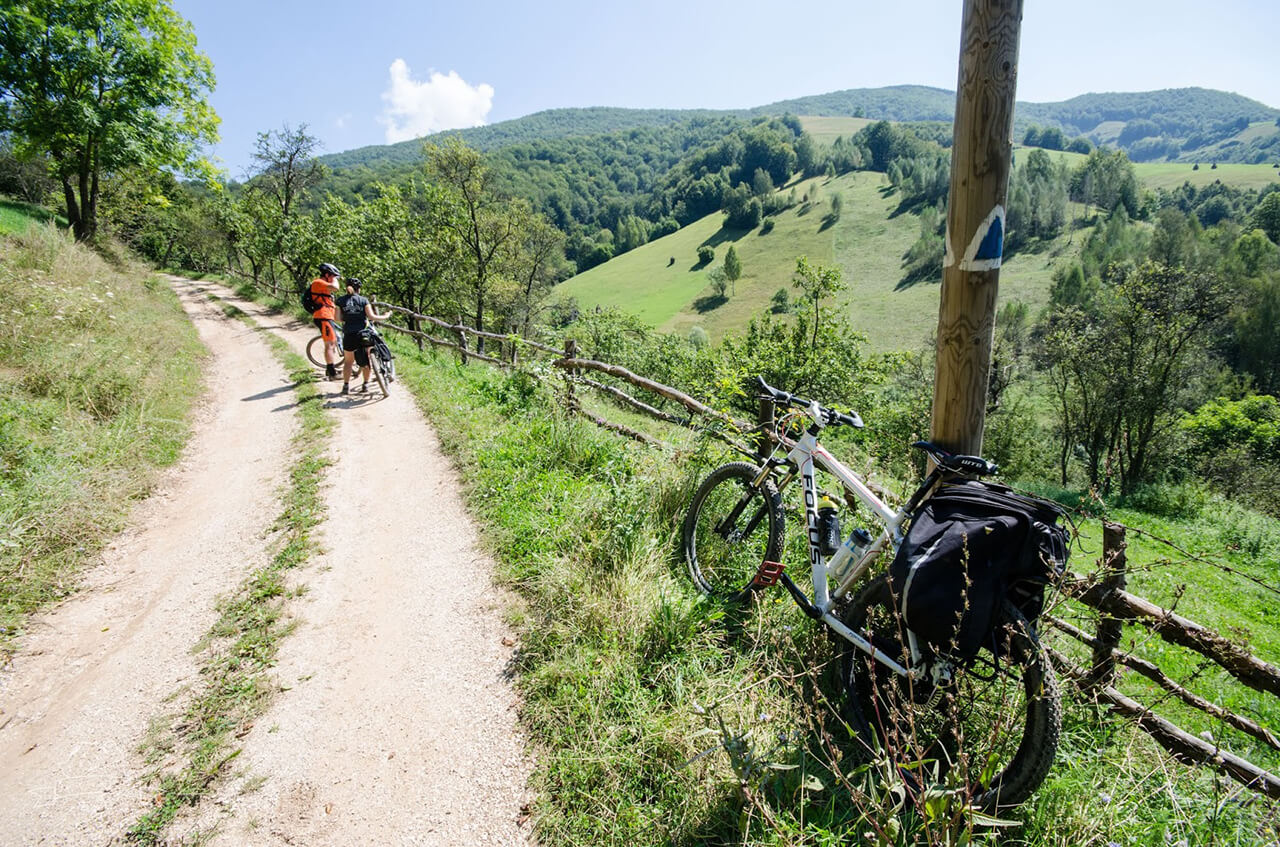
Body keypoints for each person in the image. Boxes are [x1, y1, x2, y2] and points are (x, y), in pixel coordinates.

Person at [335, 278, 391, 395]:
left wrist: (348, 317)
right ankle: (365, 385)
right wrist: (386, 316)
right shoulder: (363, 300)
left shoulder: (340, 301)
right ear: (359, 289)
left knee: (348, 362)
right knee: (365, 360)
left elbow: (337, 319)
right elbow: (372, 317)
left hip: (349, 334)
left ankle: (346, 386)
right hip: (362, 334)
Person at [310, 262, 343, 380]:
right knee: (329, 344)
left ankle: (331, 369)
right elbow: (336, 288)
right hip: (323, 316)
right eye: (332, 275)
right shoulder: (318, 282)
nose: (334, 278)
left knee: (332, 342)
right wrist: (335, 279)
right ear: (327, 275)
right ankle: (332, 373)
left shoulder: (322, 285)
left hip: (327, 316)